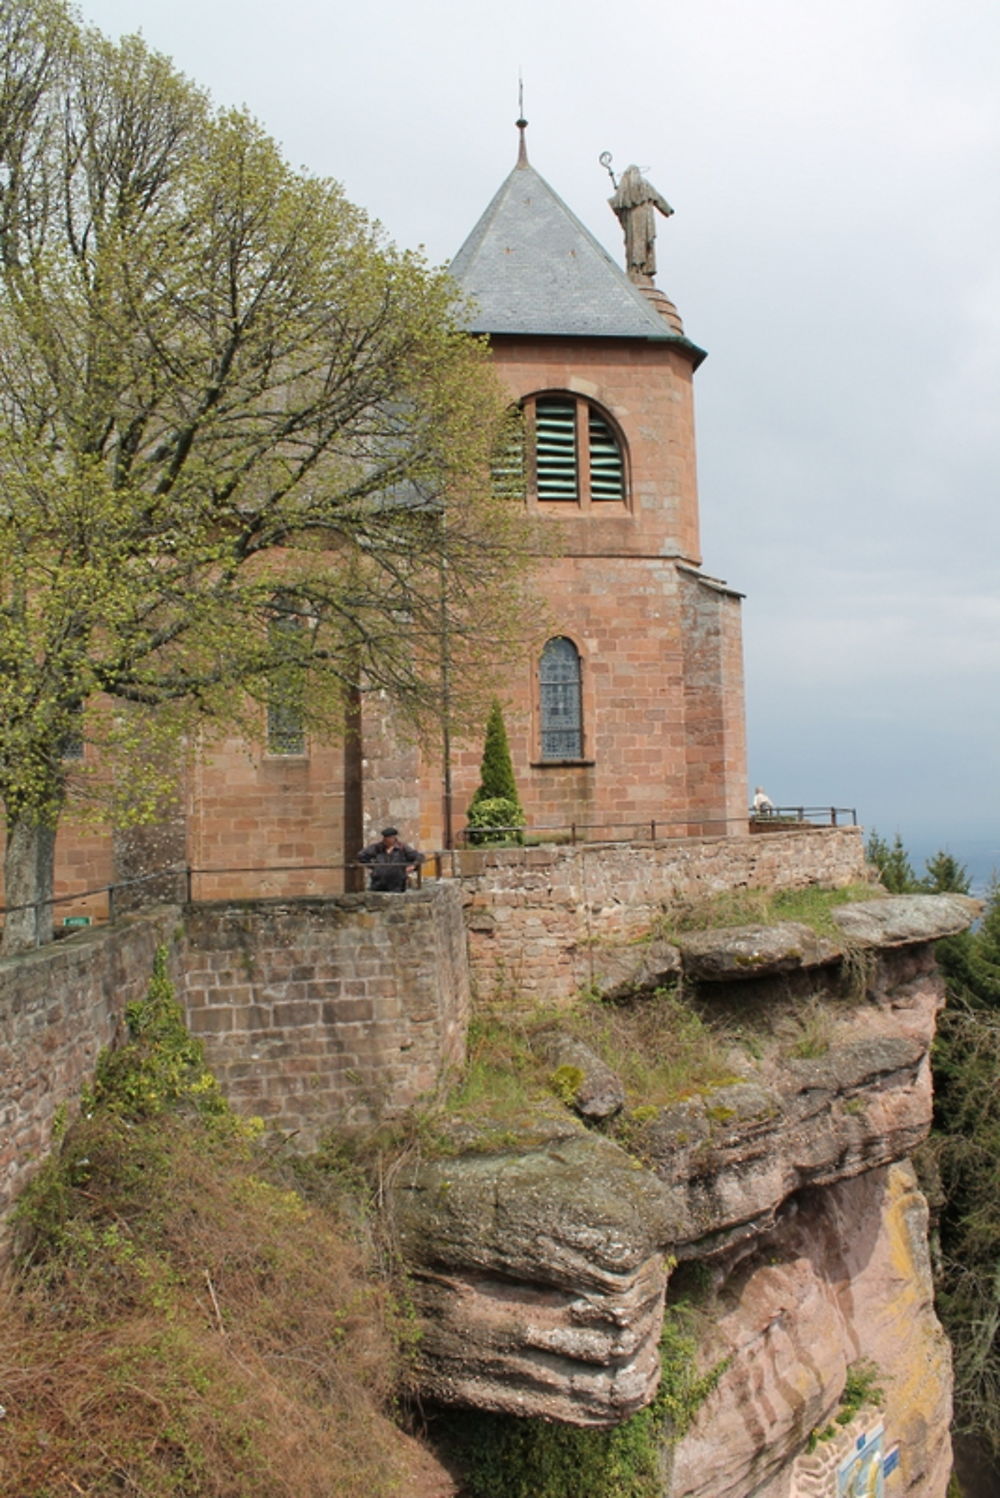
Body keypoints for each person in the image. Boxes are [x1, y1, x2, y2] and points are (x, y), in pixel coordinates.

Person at [357, 827, 424, 893]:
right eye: (385, 838)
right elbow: (361, 855)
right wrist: (374, 867)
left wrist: (413, 866)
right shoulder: (377, 847)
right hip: (378, 881)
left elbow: (419, 857)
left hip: (396, 882)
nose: (386, 840)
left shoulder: (402, 847)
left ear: (394, 838)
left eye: (389, 838)